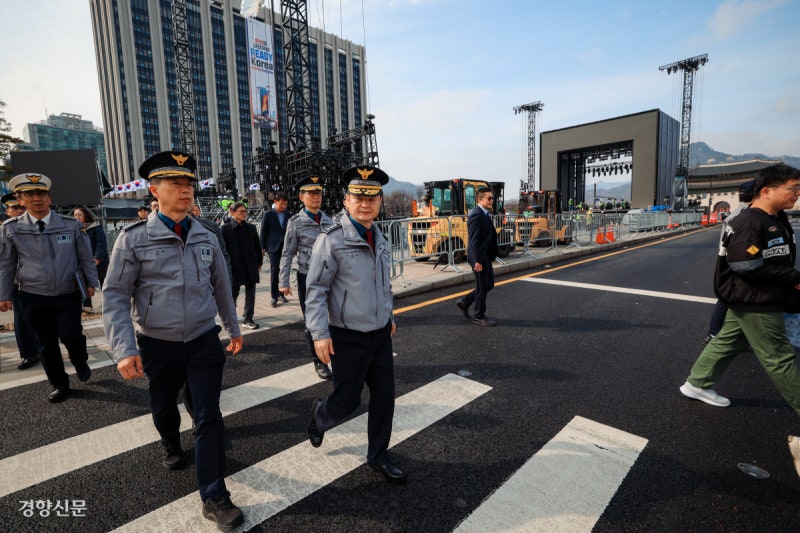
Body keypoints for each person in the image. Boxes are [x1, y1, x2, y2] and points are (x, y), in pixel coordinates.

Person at [102, 151, 245, 530]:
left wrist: (233, 328)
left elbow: (222, 287)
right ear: (154, 190)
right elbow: (115, 295)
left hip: (202, 339)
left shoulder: (206, 235)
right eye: (175, 183)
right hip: (157, 342)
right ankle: (169, 441)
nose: (185, 190)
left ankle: (214, 495)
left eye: (188, 184)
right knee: (164, 406)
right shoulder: (133, 239)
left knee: (208, 414)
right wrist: (124, 349)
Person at [677, 164, 800, 478]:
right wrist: (791, 276)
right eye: (793, 188)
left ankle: (696, 383)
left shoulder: (776, 218)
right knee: (780, 357)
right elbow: (745, 265)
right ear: (767, 190)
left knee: (729, 340)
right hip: (755, 298)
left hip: (752, 297)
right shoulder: (749, 221)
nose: (797, 194)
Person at [304, 165, 406, 484]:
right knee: (347, 401)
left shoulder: (380, 237)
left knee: (385, 398)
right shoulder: (331, 240)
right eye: (358, 197)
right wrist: (319, 334)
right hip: (346, 336)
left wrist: (388, 315)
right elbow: (316, 290)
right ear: (346, 200)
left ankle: (378, 455)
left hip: (379, 335)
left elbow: (383, 284)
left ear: (379, 202)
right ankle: (320, 416)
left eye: (372, 198)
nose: (365, 204)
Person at [0, 173, 98, 402]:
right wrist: (4, 294)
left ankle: (80, 360)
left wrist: (91, 283)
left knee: (71, 335)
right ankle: (59, 383)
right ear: (20, 200)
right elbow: (6, 264)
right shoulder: (11, 228)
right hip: (32, 295)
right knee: (45, 343)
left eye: (41, 193)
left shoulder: (71, 225)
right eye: (29, 194)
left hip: (67, 292)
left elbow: (85, 257)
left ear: (49, 198)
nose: (36, 198)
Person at [279, 176, 334, 380]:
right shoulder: (295, 223)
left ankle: (333, 352)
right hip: (307, 278)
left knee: (334, 317)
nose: (316, 197)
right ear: (302, 197)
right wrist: (283, 282)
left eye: (318, 193)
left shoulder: (329, 220)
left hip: (329, 277)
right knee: (313, 320)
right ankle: (319, 361)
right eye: (311, 193)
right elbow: (287, 254)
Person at [704, 180, 755, 343]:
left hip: (728, 259)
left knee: (728, 298)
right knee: (728, 299)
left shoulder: (737, 214)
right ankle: (715, 333)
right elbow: (745, 245)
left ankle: (716, 333)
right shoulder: (745, 216)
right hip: (737, 262)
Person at [1, 192, 42, 369]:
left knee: (45, 317)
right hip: (17, 282)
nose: (19, 211)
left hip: (40, 281)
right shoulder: (4, 230)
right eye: (14, 208)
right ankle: (30, 354)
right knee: (22, 319)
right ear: (7, 211)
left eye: (21, 207)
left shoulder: (39, 226)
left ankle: (46, 349)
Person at [456, 187, 498, 327]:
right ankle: (479, 315)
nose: (492, 200)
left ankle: (465, 302)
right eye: (489, 198)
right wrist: (476, 261)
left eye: (492, 198)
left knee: (489, 284)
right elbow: (473, 241)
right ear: (480, 199)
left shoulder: (484, 213)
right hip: (479, 257)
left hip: (485, 256)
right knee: (482, 287)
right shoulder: (476, 215)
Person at [221, 201, 262, 329]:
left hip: (250, 264)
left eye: (245, 211)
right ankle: (230, 318)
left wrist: (259, 262)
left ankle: (248, 318)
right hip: (234, 266)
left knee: (251, 292)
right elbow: (222, 250)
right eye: (241, 211)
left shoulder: (251, 228)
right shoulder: (225, 229)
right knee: (233, 293)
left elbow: (257, 246)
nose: (244, 214)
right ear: (232, 213)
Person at [73, 206, 109, 312]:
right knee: (85, 282)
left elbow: (101, 243)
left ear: (86, 215)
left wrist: (97, 258)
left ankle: (109, 304)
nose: (77, 217)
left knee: (104, 282)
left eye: (80, 215)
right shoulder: (74, 229)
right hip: (84, 262)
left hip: (99, 261)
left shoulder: (95, 227)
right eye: (75, 215)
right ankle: (87, 305)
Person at [260, 191, 289, 307]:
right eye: (281, 203)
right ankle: (274, 296)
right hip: (273, 247)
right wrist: (262, 247)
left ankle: (281, 293)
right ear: (275, 202)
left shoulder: (289, 215)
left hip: (286, 247)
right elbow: (263, 232)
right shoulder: (268, 215)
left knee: (284, 271)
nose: (283, 206)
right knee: (274, 270)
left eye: (285, 204)